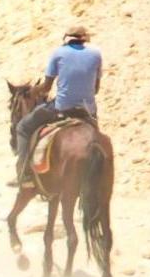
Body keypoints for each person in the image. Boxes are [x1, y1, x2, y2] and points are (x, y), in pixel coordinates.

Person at [17, 22, 103, 183]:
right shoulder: (96, 54)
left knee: (23, 127)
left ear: (67, 39)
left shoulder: (58, 53)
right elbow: (96, 89)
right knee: (97, 137)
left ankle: (24, 173)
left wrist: (32, 92)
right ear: (84, 40)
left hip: (62, 107)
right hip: (88, 110)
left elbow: (46, 87)